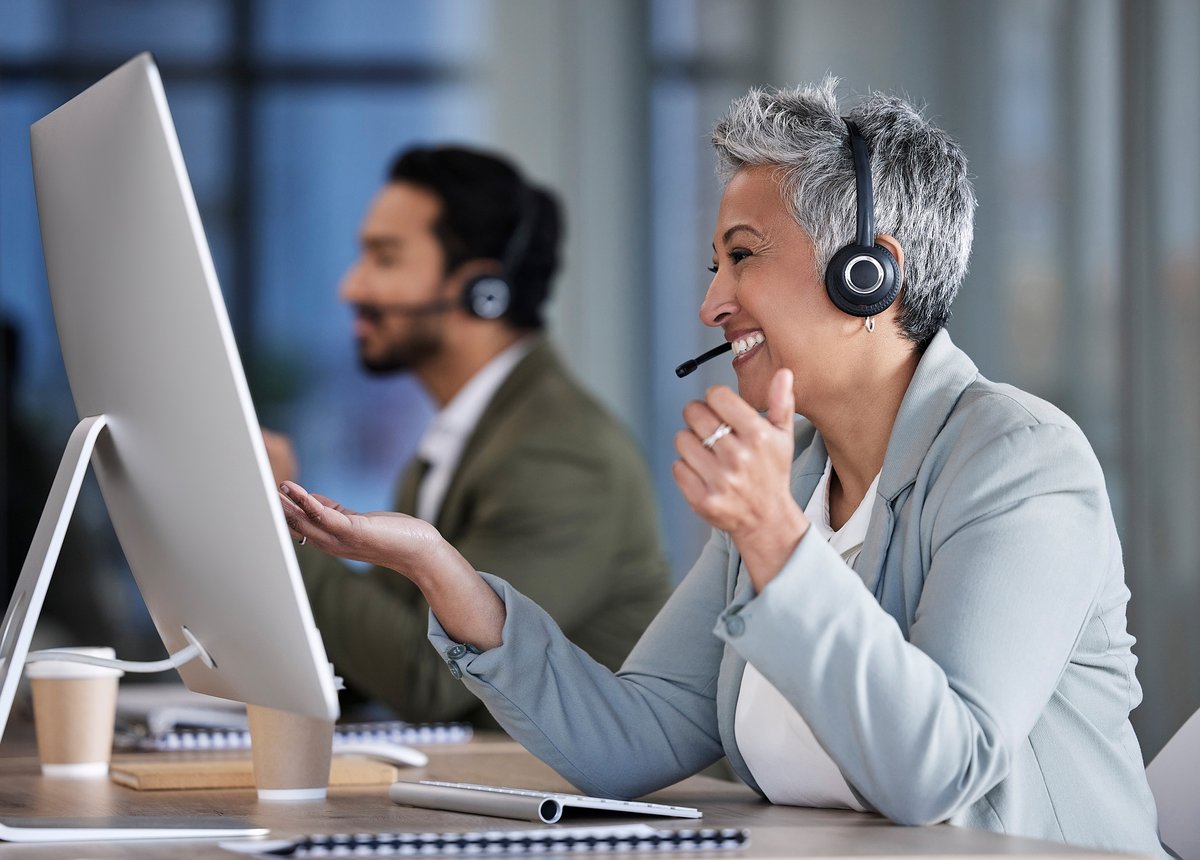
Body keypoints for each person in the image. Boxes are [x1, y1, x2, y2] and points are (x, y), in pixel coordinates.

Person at [277, 84, 1165, 855]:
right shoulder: (788, 487)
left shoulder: (1018, 462)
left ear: (869, 275)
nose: (711, 302)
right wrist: (439, 567)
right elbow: (630, 737)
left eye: (742, 256)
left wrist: (774, 541)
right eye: (716, 265)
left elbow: (940, 771)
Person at [265, 145, 672, 727]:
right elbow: (393, 647)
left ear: (483, 289)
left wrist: (277, 526)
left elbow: (433, 679)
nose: (351, 287)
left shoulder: (560, 454)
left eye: (384, 258)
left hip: (598, 808)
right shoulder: (460, 440)